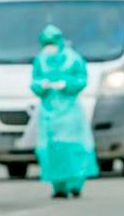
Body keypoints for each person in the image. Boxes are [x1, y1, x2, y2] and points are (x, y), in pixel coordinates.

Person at [30, 24, 98, 198]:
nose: (49, 47)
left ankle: (76, 183)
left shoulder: (73, 58)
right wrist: (41, 86)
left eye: (51, 43)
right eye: (46, 43)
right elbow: (35, 81)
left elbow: (81, 79)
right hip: (48, 111)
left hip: (69, 110)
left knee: (73, 147)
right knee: (51, 149)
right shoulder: (41, 59)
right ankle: (58, 186)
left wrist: (67, 85)